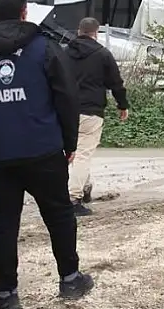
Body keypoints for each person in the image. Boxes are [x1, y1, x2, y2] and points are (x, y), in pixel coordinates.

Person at [0, 0, 94, 309]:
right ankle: (70, 279)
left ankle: (6, 295)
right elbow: (66, 98)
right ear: (24, 12)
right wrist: (69, 143)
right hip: (42, 150)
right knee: (58, 216)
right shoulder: (45, 49)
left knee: (2, 224)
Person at [63, 17, 128, 216]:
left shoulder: (64, 53)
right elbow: (116, 83)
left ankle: (85, 187)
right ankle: (73, 199)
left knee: (74, 152)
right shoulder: (103, 54)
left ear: (78, 31)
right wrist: (122, 105)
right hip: (91, 111)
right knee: (83, 153)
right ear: (96, 32)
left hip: (65, 110)